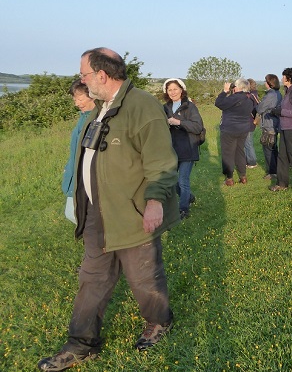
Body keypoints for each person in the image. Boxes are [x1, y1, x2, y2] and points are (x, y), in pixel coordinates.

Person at [38, 48, 180, 371]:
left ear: (102, 76)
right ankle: (81, 343)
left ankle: (159, 322)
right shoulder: (99, 110)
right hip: (96, 214)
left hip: (131, 214)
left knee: (144, 274)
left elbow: (161, 160)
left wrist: (155, 200)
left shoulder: (142, 106)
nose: (82, 81)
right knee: (92, 278)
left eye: (85, 75)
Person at [163, 78, 204, 219]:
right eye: (170, 90)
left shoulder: (189, 106)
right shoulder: (165, 108)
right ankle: (189, 197)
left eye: (175, 89)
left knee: (183, 181)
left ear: (181, 89)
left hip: (188, 148)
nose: (173, 92)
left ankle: (183, 210)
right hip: (171, 150)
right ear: (166, 92)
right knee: (172, 181)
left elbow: (198, 127)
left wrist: (178, 122)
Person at [62, 79, 96, 224]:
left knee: (74, 213)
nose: (77, 103)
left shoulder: (96, 119)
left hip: (86, 174)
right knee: (73, 213)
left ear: (92, 96)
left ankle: (101, 240)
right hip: (76, 171)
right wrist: (69, 167)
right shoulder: (83, 117)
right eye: (75, 99)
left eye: (80, 98)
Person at [215, 78, 254, 186]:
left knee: (228, 154)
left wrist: (225, 91)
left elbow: (218, 103)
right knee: (240, 152)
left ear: (237, 87)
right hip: (243, 129)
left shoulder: (233, 98)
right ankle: (243, 176)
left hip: (229, 129)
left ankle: (229, 178)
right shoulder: (249, 100)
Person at [255, 74, 282, 180]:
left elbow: (260, 109)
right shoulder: (278, 93)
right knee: (274, 148)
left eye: (266, 81)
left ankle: (272, 172)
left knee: (268, 148)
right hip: (275, 123)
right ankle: (277, 168)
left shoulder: (270, 94)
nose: (264, 83)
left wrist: (258, 104)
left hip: (269, 123)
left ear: (270, 83)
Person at [244, 78, 260, 169]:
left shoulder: (250, 95)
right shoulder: (255, 94)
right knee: (247, 143)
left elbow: (255, 108)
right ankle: (248, 161)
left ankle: (252, 162)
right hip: (251, 121)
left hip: (249, 121)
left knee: (248, 143)